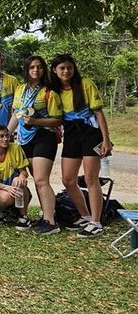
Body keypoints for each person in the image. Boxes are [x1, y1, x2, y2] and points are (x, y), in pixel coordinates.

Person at [49, 53, 112, 237]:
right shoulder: (55, 90)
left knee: (92, 179)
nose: (66, 71)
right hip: (71, 133)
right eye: (62, 68)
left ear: (74, 68)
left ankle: (96, 222)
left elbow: (99, 113)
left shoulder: (85, 84)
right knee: (68, 180)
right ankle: (85, 216)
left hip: (91, 132)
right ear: (55, 70)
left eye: (69, 67)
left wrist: (106, 140)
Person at [6, 55, 62, 234]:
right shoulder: (20, 90)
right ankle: (46, 216)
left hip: (44, 137)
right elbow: (16, 114)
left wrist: (36, 121)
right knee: (35, 180)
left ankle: (50, 222)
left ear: (44, 70)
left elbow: (58, 120)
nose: (35, 71)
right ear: (27, 70)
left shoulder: (49, 92)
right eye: (32, 67)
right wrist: (7, 133)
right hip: (24, 138)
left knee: (40, 179)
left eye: (39, 67)